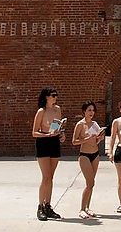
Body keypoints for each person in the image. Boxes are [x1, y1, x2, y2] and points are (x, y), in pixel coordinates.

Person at [31, 86, 66, 221]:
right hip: (43, 143)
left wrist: (61, 135)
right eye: (53, 95)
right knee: (45, 176)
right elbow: (34, 132)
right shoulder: (41, 111)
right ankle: (40, 206)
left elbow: (59, 128)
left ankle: (48, 206)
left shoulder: (57, 110)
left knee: (51, 177)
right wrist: (47, 135)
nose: (55, 97)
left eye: (56, 95)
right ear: (46, 97)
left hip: (54, 143)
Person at [71, 100, 106, 219]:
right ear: (84, 111)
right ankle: (81, 209)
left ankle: (87, 207)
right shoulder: (80, 124)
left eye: (93, 110)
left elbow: (95, 140)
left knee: (92, 183)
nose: (91, 112)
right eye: (89, 110)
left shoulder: (95, 124)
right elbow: (74, 141)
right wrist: (87, 138)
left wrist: (99, 138)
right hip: (84, 155)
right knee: (89, 183)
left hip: (95, 154)